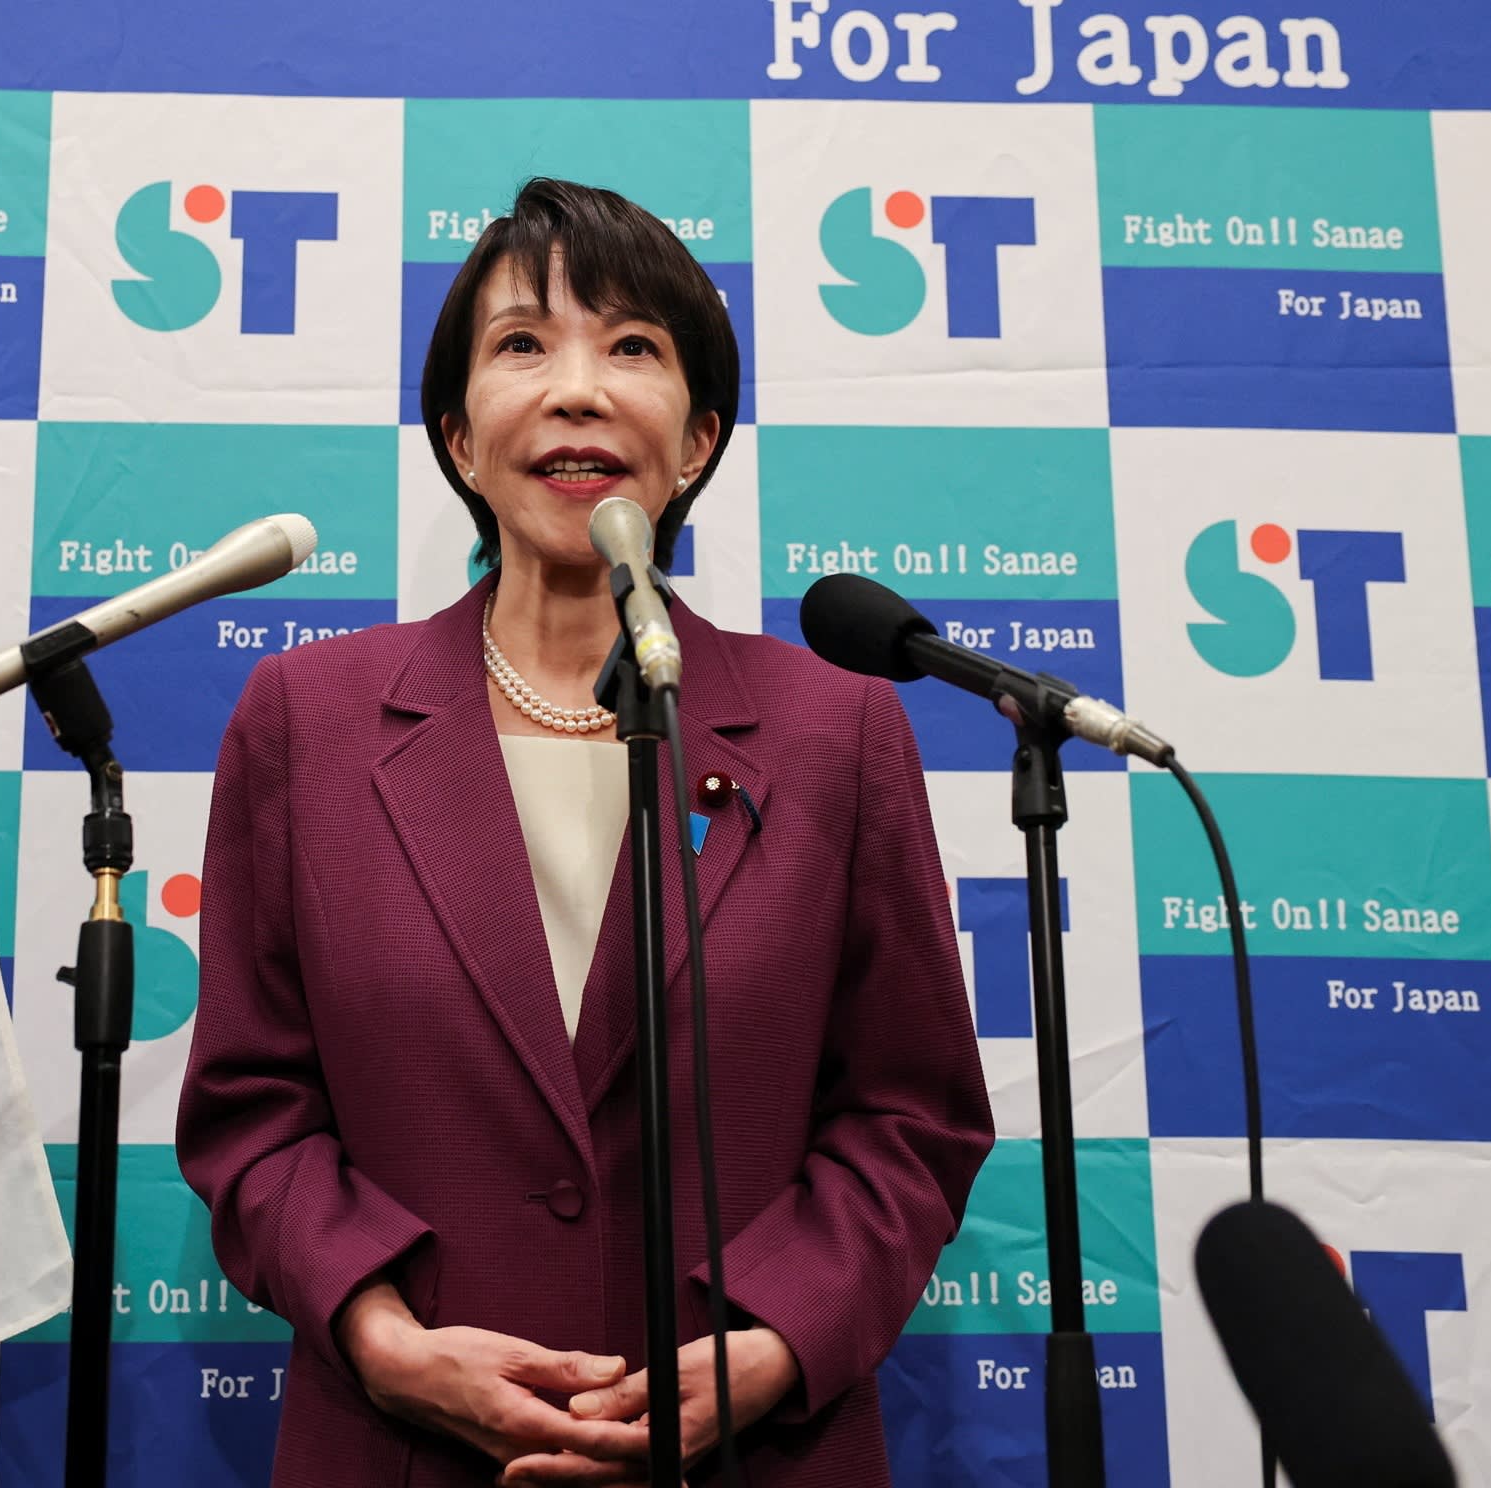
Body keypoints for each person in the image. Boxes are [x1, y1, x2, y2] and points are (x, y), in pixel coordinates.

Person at [177, 178, 991, 1487]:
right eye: (522, 346)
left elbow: (911, 1115)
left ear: (699, 437)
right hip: (405, 1450)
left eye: (632, 349)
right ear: (457, 435)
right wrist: (386, 1340)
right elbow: (250, 1112)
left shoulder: (834, 733)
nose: (576, 391)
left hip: (754, 1457)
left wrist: (775, 1345)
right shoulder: (308, 722)